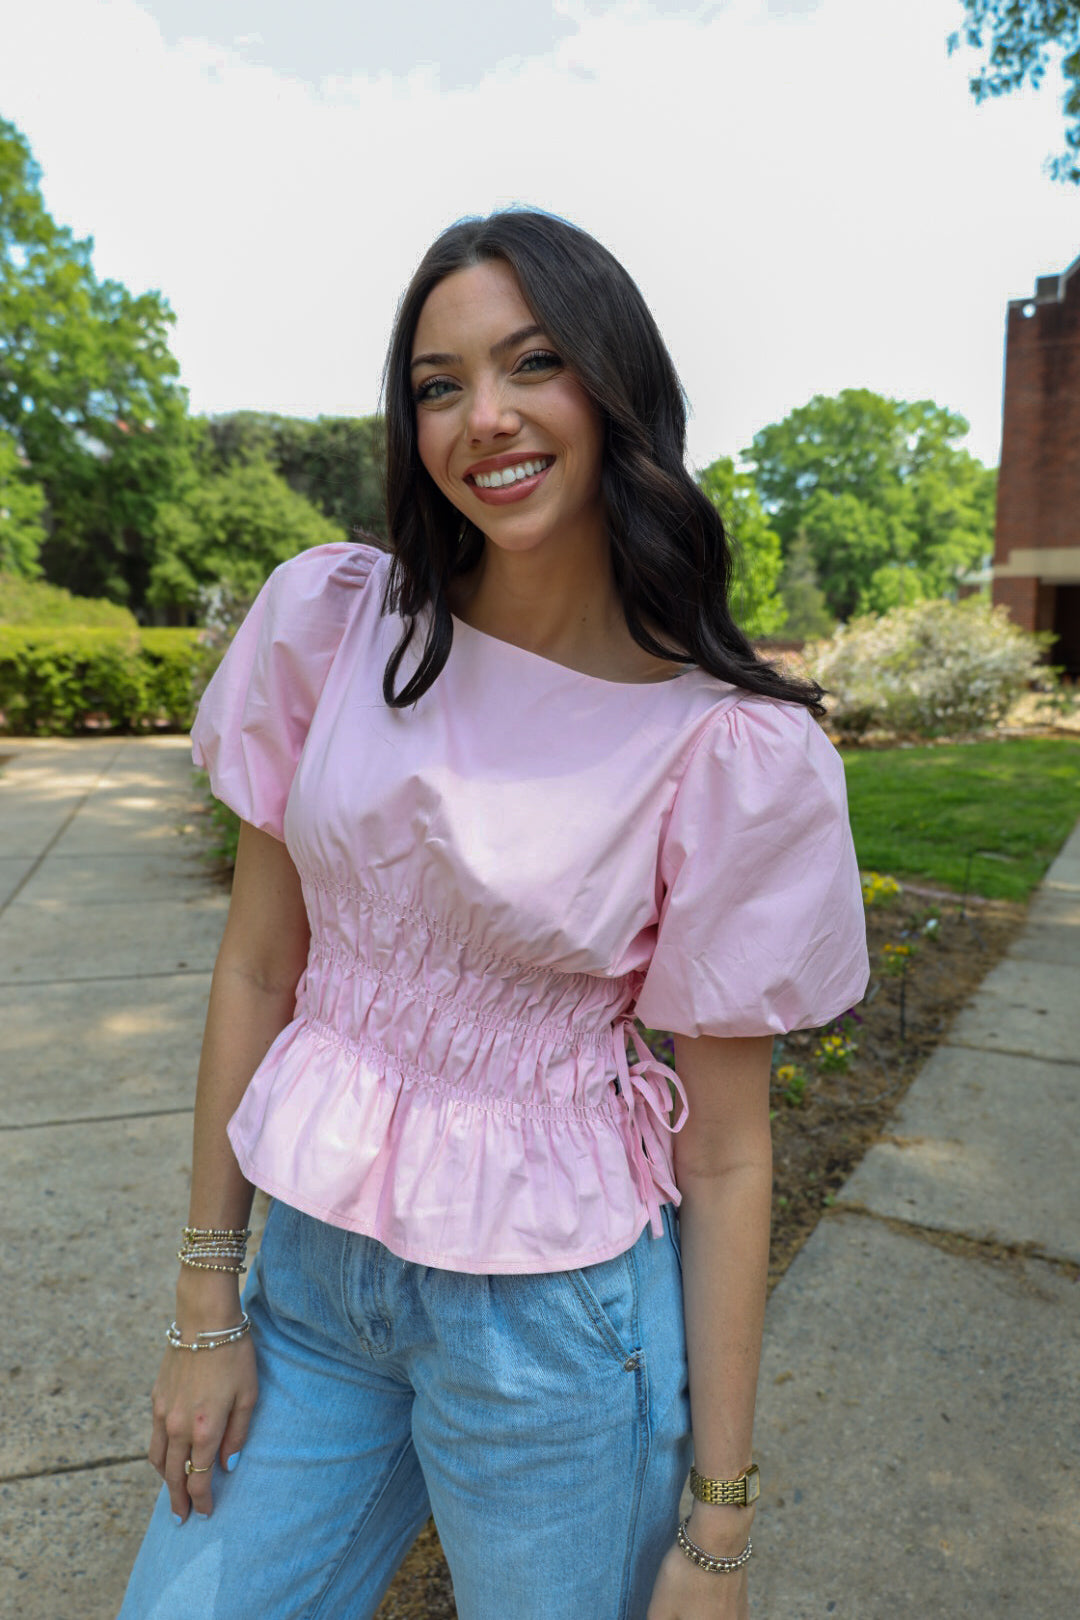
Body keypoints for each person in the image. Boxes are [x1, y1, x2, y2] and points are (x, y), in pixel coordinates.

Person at [118, 207, 869, 1620]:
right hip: (319, 1291)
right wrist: (204, 1303)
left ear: (613, 387)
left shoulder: (728, 752)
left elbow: (723, 1156)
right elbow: (261, 967)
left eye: (533, 365)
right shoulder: (334, 629)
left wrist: (718, 1533)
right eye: (439, 384)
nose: (485, 417)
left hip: (553, 1333)